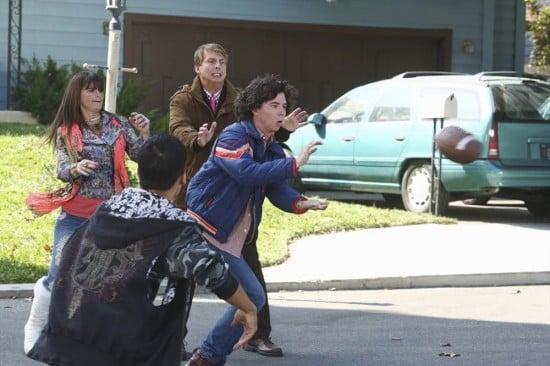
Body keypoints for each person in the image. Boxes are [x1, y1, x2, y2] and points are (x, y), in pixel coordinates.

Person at [26, 134, 258, 366]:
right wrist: (248, 308)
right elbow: (213, 272)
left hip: (72, 338)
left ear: (138, 173)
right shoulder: (176, 228)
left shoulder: (106, 211)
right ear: (183, 177)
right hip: (126, 350)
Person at [169, 42, 307, 358]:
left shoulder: (241, 99)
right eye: (212, 62)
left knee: (252, 283)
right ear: (198, 67)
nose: (218, 67)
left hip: (238, 210)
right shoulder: (184, 99)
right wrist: (196, 139)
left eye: (222, 62)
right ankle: (175, 339)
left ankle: (255, 335)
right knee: (185, 279)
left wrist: (300, 201)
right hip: (198, 202)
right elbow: (179, 130)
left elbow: (263, 144)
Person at [185, 74, 329, 366]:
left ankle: (206, 356)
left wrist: (302, 202)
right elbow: (246, 173)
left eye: (283, 106)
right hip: (205, 228)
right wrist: (294, 163)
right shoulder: (233, 136)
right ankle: (206, 355)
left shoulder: (270, 145)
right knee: (247, 295)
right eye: (274, 105)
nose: (282, 112)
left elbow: (276, 188)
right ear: (255, 108)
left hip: (232, 238)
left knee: (252, 298)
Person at [23, 70, 151, 354]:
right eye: (91, 90)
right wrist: (76, 169)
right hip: (76, 215)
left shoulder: (117, 124)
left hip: (112, 214)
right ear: (77, 95)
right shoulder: (67, 130)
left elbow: (140, 155)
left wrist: (144, 134)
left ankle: (92, 335)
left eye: (99, 90)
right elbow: (62, 169)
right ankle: (35, 325)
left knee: (109, 277)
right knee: (58, 274)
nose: (97, 95)